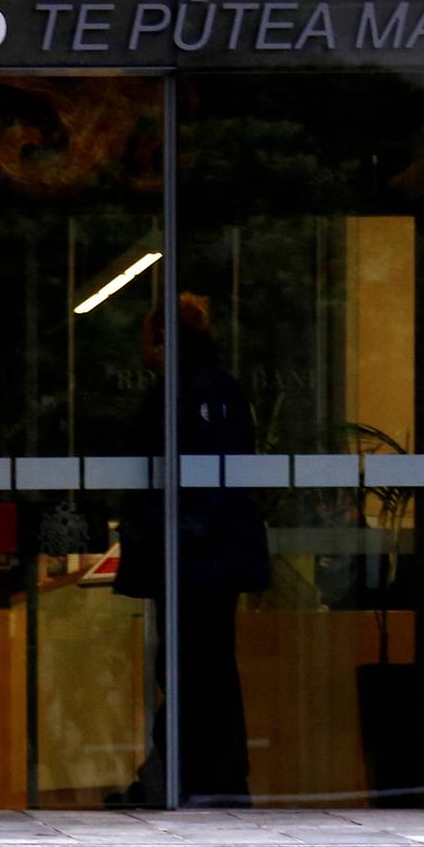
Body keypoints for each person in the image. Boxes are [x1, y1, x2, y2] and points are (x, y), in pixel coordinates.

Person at [111, 293, 270, 807]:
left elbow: (189, 480)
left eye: (148, 338)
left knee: (191, 665)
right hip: (203, 556)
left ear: (162, 339)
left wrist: (165, 535)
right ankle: (201, 776)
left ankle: (192, 777)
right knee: (203, 663)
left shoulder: (187, 392)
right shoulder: (213, 389)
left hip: (191, 558)